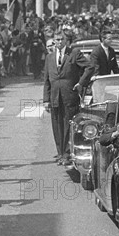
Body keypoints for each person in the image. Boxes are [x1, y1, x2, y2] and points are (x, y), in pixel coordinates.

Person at [43, 32, 90, 165]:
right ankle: (60, 152)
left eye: (61, 39)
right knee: (57, 125)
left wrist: (81, 83)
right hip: (55, 97)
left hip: (70, 96)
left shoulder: (74, 53)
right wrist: (46, 100)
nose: (59, 42)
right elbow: (46, 80)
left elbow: (89, 67)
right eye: (56, 40)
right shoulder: (49, 57)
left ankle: (67, 153)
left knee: (69, 124)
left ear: (66, 41)